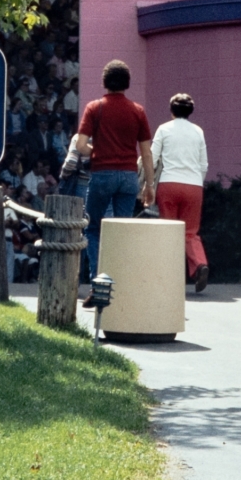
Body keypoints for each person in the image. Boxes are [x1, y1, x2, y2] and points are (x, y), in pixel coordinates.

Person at [75, 59, 154, 304]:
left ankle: (99, 286)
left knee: (94, 228)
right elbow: (147, 152)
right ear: (127, 82)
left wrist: (96, 151)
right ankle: (120, 288)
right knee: (122, 232)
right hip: (129, 176)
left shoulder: (94, 107)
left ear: (105, 81)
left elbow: (79, 145)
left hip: (102, 174)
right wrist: (149, 185)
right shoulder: (137, 111)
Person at [152, 93, 210, 292]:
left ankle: (169, 278)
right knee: (190, 232)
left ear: (171, 111)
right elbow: (204, 164)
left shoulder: (163, 129)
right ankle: (200, 264)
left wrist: (148, 184)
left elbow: (152, 159)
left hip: (168, 184)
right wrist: (196, 182)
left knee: (168, 231)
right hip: (193, 186)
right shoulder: (198, 131)